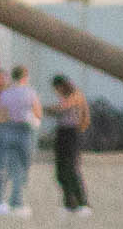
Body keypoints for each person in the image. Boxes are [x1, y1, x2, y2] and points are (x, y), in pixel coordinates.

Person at [0, 67, 38, 217]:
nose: (3, 81)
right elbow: (0, 115)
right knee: (1, 168)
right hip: (4, 130)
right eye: (0, 78)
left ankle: (16, 200)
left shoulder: (12, 93)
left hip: (18, 129)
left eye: (4, 77)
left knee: (19, 167)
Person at [38, 69, 90, 218]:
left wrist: (43, 108)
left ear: (61, 85)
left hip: (72, 133)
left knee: (71, 168)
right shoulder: (63, 97)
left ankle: (83, 202)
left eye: (56, 88)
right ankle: (69, 203)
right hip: (62, 133)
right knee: (60, 171)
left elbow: (64, 107)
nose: (56, 91)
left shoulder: (75, 95)